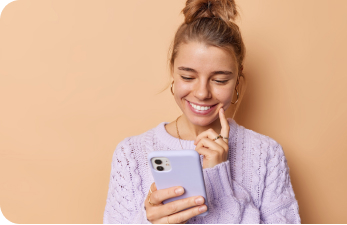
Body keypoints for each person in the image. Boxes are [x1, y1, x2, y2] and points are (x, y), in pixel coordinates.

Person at [103, 0, 301, 223]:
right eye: (188, 77)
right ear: (172, 71)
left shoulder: (267, 155)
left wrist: (221, 186)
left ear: (237, 78)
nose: (202, 93)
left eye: (219, 80)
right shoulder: (130, 154)